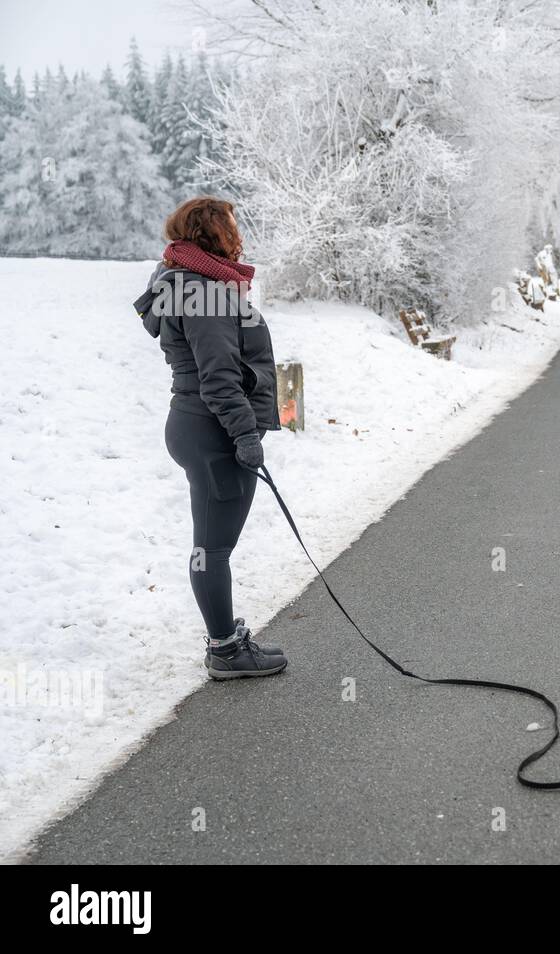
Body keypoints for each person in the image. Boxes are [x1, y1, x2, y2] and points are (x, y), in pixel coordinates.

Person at [134, 197, 287, 679]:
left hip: (194, 425)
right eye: (233, 225)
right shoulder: (205, 292)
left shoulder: (185, 283)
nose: (239, 234)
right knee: (212, 547)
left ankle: (224, 640)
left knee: (210, 543)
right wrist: (245, 436)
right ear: (215, 232)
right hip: (213, 429)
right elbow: (219, 377)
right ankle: (225, 650)